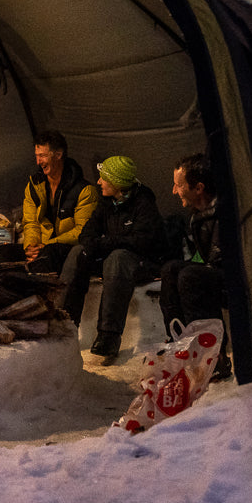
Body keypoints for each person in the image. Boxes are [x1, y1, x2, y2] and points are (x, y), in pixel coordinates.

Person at [59, 155, 168, 361]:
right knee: (78, 253)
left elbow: (141, 242)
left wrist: (104, 243)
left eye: (103, 178)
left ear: (117, 182)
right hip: (113, 257)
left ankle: (108, 336)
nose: (98, 182)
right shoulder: (107, 201)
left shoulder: (143, 203)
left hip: (144, 262)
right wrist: (91, 245)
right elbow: (88, 230)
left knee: (117, 259)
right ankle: (64, 322)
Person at [160, 152, 232, 381]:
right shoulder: (197, 217)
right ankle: (180, 344)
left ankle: (214, 356)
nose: (174, 191)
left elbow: (221, 260)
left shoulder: (225, 212)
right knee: (171, 270)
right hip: (215, 273)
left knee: (191, 276)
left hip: (239, 281)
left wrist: (195, 269)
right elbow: (204, 259)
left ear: (198, 188)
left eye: (179, 185)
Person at [0, 130, 97, 274]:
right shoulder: (35, 185)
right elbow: (31, 222)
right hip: (41, 247)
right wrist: (30, 247)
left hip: (66, 249)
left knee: (49, 254)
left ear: (58, 155)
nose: (38, 162)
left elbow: (82, 231)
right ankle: (5, 289)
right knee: (1, 252)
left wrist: (46, 245)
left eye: (43, 156)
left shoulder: (85, 190)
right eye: (37, 156)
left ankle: (35, 288)